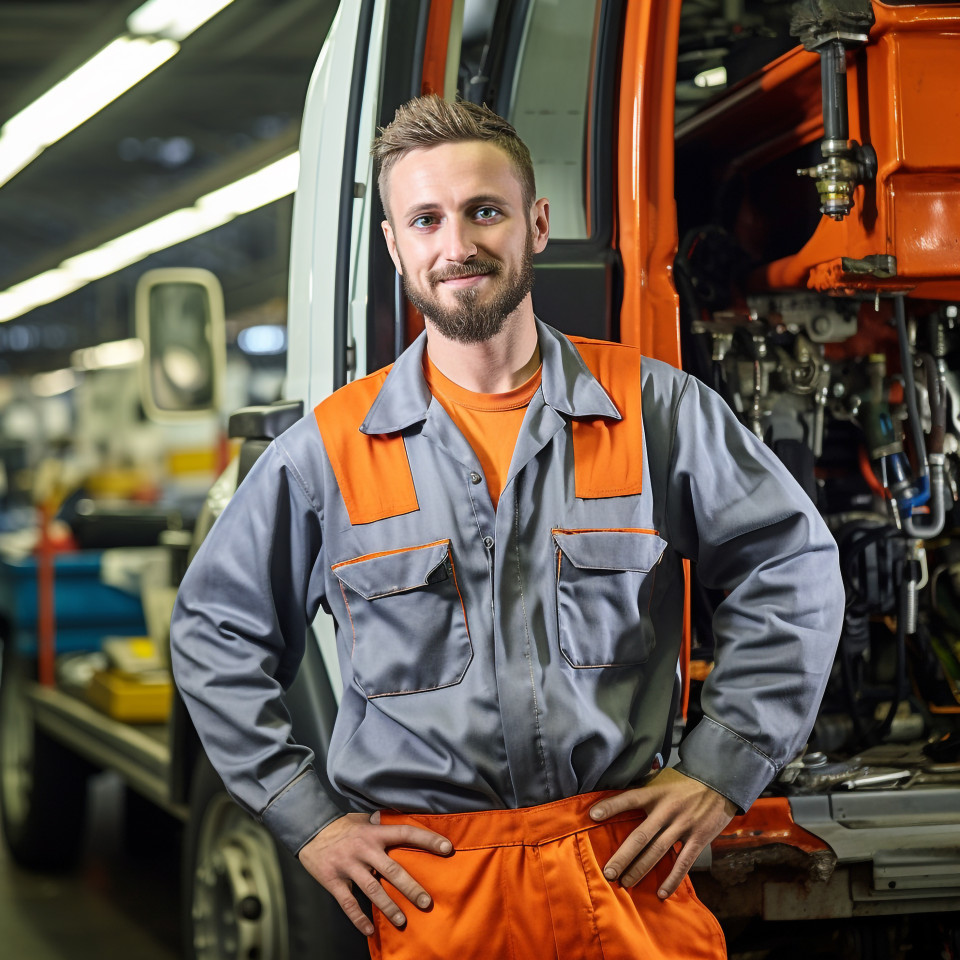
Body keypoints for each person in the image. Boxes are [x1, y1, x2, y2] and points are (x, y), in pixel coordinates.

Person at [171, 95, 844, 960]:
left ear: (535, 223)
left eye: (484, 211)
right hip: (438, 892)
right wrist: (311, 822)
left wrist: (724, 766)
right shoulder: (328, 452)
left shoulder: (653, 409)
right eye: (426, 219)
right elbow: (214, 631)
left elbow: (791, 565)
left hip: (626, 869)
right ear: (395, 245)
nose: (457, 245)